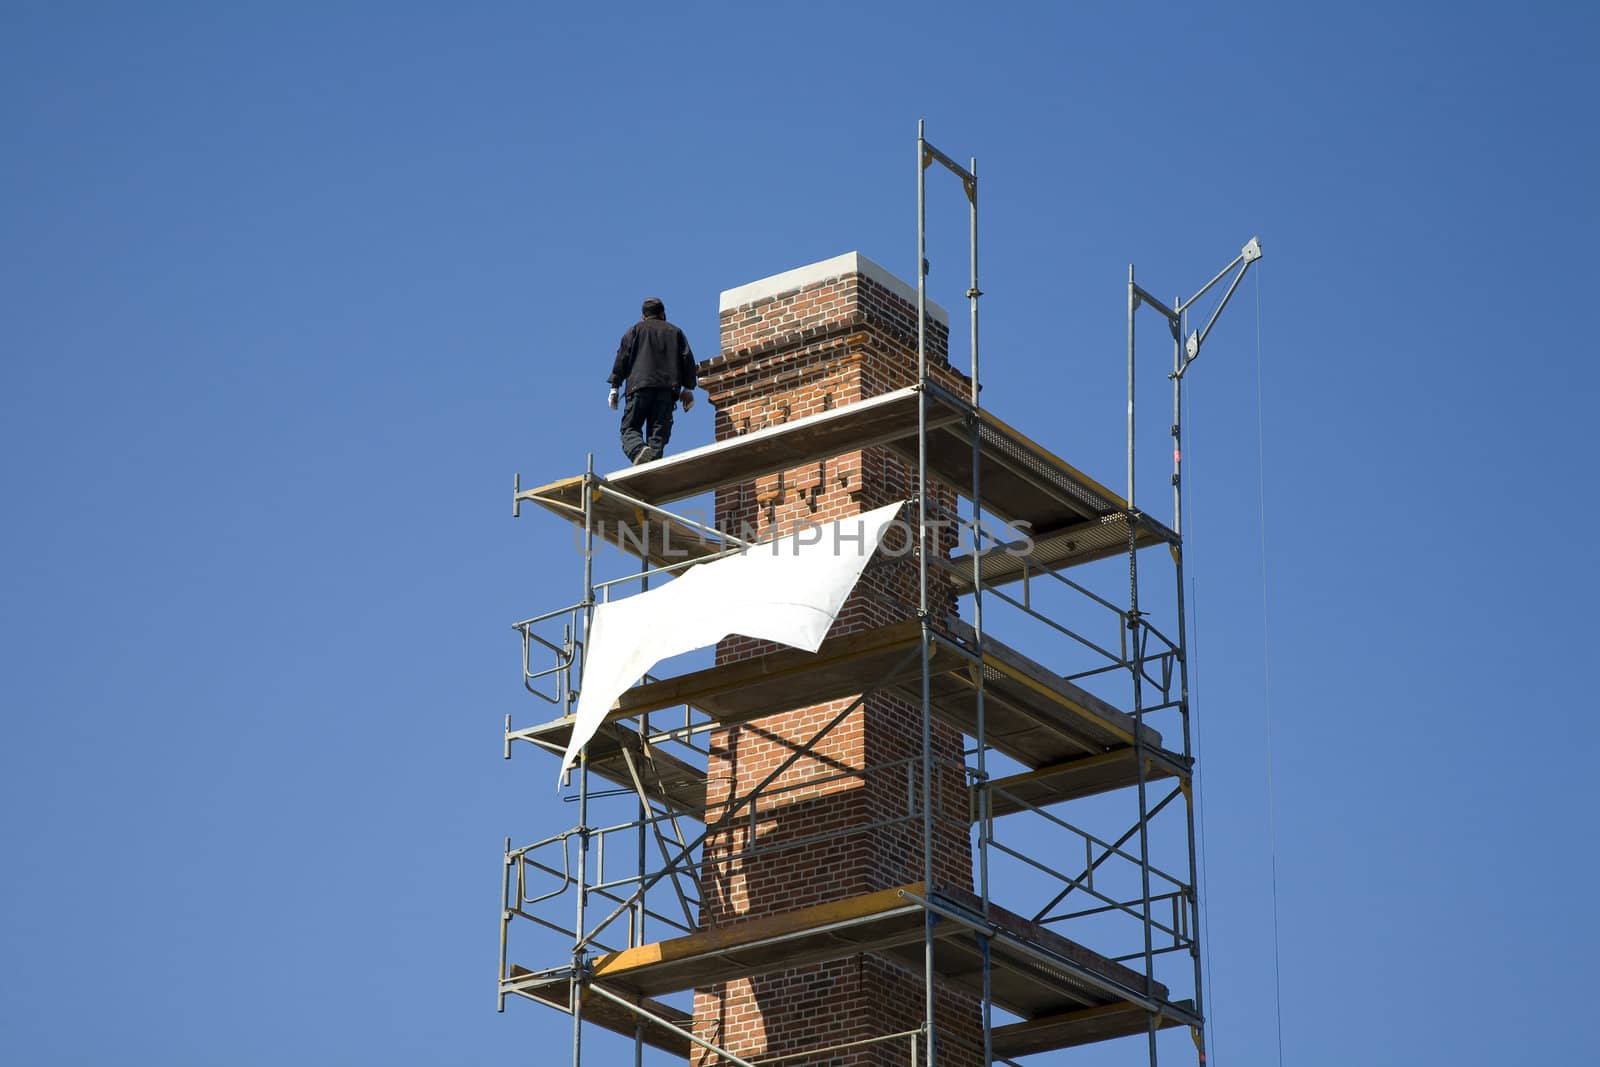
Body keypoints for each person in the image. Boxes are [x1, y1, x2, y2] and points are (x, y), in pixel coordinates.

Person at [608, 297, 697, 465]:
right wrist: (688, 389)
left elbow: (622, 359)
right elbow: (687, 360)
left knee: (629, 428)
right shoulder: (675, 332)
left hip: (639, 388)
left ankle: (639, 451)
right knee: (658, 433)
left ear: (643, 316)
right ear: (663, 314)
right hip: (666, 391)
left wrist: (615, 387)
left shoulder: (634, 331)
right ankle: (651, 463)